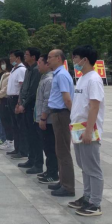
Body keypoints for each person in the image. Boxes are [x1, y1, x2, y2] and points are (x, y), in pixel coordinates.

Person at [68, 45, 105, 217]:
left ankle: (95, 204)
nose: (73, 61)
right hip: (77, 128)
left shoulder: (94, 79)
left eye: (75, 57)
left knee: (93, 167)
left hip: (88, 129)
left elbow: (94, 106)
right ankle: (87, 197)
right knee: (84, 166)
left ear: (85, 59)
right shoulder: (82, 78)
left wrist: (89, 130)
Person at [47, 49, 75, 197]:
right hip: (57, 114)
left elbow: (67, 99)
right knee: (59, 150)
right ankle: (63, 181)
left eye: (50, 57)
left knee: (63, 151)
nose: (48, 60)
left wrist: (73, 115)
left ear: (58, 58)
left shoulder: (62, 75)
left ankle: (68, 186)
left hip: (62, 114)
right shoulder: (58, 74)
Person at [16, 48, 42, 173]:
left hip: (31, 107)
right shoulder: (28, 69)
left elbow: (33, 91)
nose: (25, 56)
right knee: (29, 135)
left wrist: (24, 104)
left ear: (33, 57)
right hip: (25, 105)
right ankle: (31, 160)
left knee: (34, 136)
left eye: (27, 55)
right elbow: (23, 89)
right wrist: (19, 102)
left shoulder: (37, 70)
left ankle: (38, 163)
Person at [35, 54, 58, 184]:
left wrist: (43, 118)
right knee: (47, 147)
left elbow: (47, 101)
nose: (38, 65)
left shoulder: (49, 80)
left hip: (48, 121)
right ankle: (49, 170)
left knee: (50, 148)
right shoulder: (44, 78)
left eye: (40, 62)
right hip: (43, 118)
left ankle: (53, 174)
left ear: (47, 64)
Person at [5, 50, 27, 159]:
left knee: (20, 126)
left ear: (18, 58)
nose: (10, 59)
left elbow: (22, 88)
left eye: (12, 57)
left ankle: (22, 150)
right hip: (11, 98)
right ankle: (17, 148)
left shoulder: (22, 70)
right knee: (14, 125)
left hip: (16, 99)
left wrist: (19, 102)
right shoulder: (14, 69)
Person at [0, 59, 14, 151]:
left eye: (4, 64)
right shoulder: (4, 74)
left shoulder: (10, 74)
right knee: (2, 120)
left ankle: (9, 140)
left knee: (7, 121)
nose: (2, 65)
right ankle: (6, 139)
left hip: (6, 99)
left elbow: (6, 88)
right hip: (0, 99)